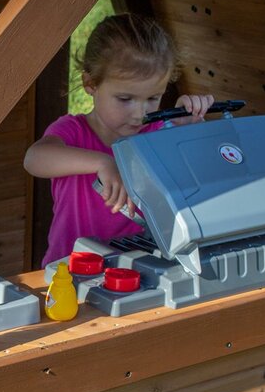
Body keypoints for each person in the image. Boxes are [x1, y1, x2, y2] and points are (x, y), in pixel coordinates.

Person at [24, 13, 215, 266]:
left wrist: (187, 129)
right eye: (125, 99)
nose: (140, 113)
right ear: (90, 83)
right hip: (69, 271)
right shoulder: (73, 131)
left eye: (153, 98)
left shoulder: (158, 133)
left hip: (139, 268)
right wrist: (103, 162)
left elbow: (201, 181)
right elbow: (34, 159)